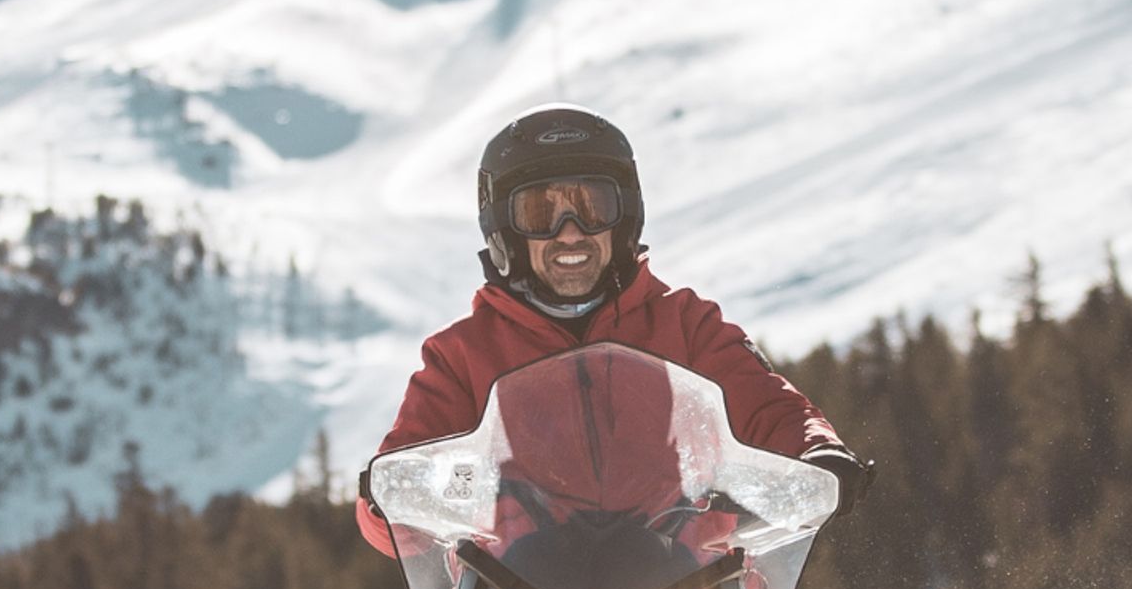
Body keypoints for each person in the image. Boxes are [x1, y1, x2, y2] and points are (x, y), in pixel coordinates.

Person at [356, 104, 870, 556]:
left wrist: (816, 454)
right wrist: (390, 499)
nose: (570, 231)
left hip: (687, 588)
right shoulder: (461, 354)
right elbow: (403, 473)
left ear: (623, 217)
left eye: (591, 207)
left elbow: (770, 407)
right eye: (542, 213)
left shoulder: (684, 323)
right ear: (505, 231)